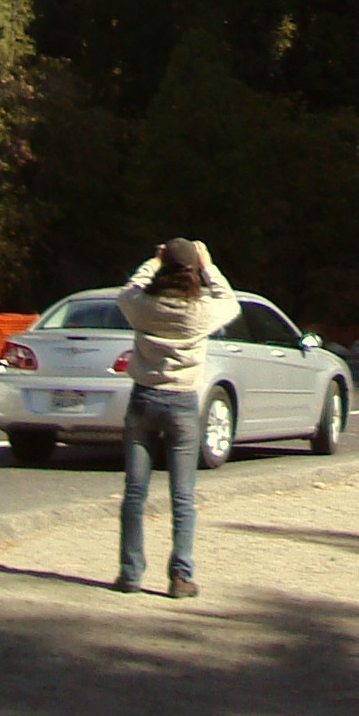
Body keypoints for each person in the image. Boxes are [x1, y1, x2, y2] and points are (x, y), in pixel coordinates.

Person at [114, 236, 233, 597]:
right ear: (193, 270)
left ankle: (130, 573)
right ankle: (181, 576)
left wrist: (152, 262)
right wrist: (208, 265)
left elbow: (128, 290)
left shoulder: (143, 305)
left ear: (164, 268)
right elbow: (229, 301)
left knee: (135, 493)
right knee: (182, 497)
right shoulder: (200, 311)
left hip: (143, 400)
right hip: (181, 404)